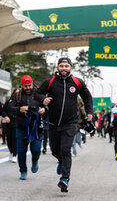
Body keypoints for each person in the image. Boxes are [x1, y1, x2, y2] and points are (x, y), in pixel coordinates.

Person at [35, 57, 93, 193]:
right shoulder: (50, 82)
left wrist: (90, 112)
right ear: (58, 67)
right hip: (53, 123)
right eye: (61, 66)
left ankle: (65, 179)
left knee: (66, 149)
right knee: (55, 150)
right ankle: (61, 161)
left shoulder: (77, 82)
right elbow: (37, 93)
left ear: (70, 67)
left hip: (70, 123)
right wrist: (43, 99)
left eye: (66, 66)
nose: (64, 68)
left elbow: (87, 97)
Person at [10, 75, 46, 180]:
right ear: (22, 85)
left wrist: (44, 110)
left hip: (36, 127)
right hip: (21, 127)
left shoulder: (39, 94)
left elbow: (47, 105)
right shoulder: (17, 95)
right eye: (25, 86)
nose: (28, 88)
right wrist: (19, 109)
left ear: (32, 83)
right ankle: (23, 171)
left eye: (29, 85)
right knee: (21, 152)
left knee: (36, 150)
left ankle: (35, 161)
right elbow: (9, 108)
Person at [2, 89, 19, 163]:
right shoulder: (8, 102)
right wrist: (5, 116)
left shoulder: (21, 102)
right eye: (16, 92)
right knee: (9, 140)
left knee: (14, 139)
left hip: (17, 123)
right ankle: (11, 152)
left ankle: (15, 154)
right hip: (8, 123)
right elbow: (3, 111)